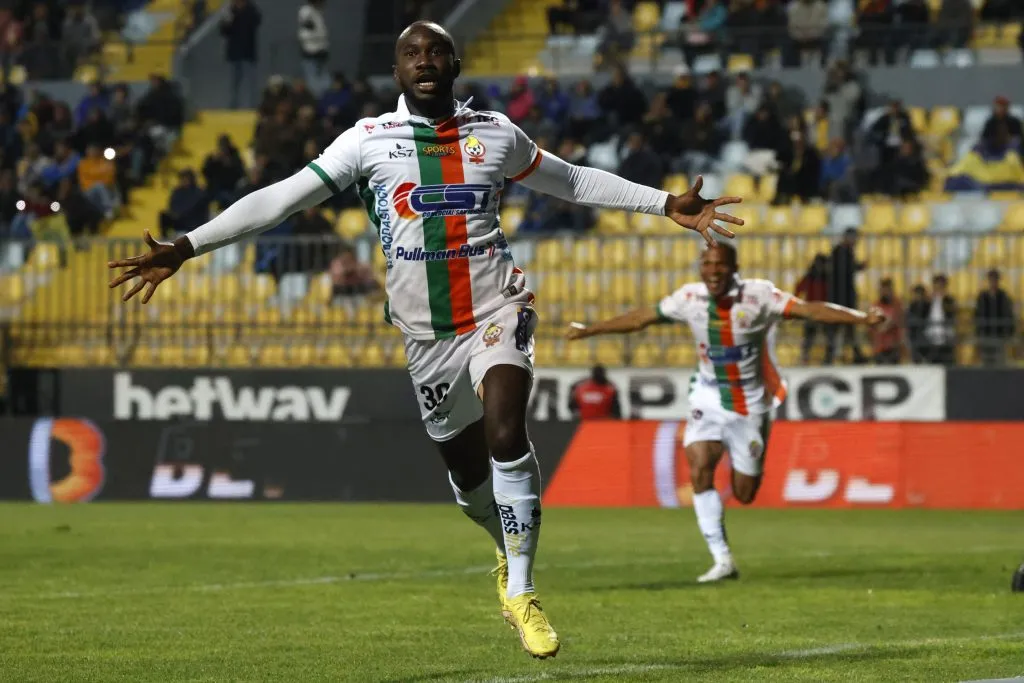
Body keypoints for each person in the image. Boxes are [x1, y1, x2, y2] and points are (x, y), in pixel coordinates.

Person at [106, 20, 744, 659]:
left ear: (456, 62)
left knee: (505, 431)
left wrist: (665, 204)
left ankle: (522, 591)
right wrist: (188, 245)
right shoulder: (367, 141)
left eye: (436, 50)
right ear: (397, 70)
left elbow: (572, 180)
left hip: (498, 306)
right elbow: (282, 199)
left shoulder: (495, 134)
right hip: (425, 335)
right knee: (469, 480)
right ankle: (503, 547)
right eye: (411, 52)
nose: (425, 61)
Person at [566, 243, 884, 582]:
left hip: (750, 406)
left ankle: (742, 482)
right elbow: (641, 317)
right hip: (708, 397)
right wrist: (590, 329)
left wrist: (861, 318)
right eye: (707, 264)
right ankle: (722, 559)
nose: (713, 270)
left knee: (745, 493)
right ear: (701, 268)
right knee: (700, 466)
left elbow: (810, 310)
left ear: (734, 268)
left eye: (720, 264)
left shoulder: (759, 296)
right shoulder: (690, 299)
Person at [825, 228, 867, 364]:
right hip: (839, 297)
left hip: (843, 296)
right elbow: (843, 271)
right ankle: (831, 357)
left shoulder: (842, 251)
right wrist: (858, 266)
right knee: (837, 327)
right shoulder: (840, 251)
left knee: (847, 328)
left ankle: (853, 355)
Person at [974, 269, 1015, 366]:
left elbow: (1008, 314)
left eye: (995, 279)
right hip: (985, 334)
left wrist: (1007, 332)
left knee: (999, 362)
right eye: (991, 279)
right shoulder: (982, 296)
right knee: (986, 362)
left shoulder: (1003, 296)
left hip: (999, 334)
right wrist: (979, 331)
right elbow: (978, 314)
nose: (993, 282)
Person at [868, 277, 904, 364]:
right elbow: (874, 325)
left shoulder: (897, 304)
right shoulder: (875, 305)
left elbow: (898, 321)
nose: (885, 292)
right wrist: (888, 324)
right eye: (883, 289)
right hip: (879, 347)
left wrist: (886, 324)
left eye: (887, 289)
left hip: (894, 346)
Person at [298, 0, 330, 96]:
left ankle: (323, 99)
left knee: (324, 80)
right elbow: (306, 32)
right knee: (313, 80)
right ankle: (316, 100)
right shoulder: (307, 11)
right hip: (311, 51)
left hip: (321, 50)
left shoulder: (318, 13)